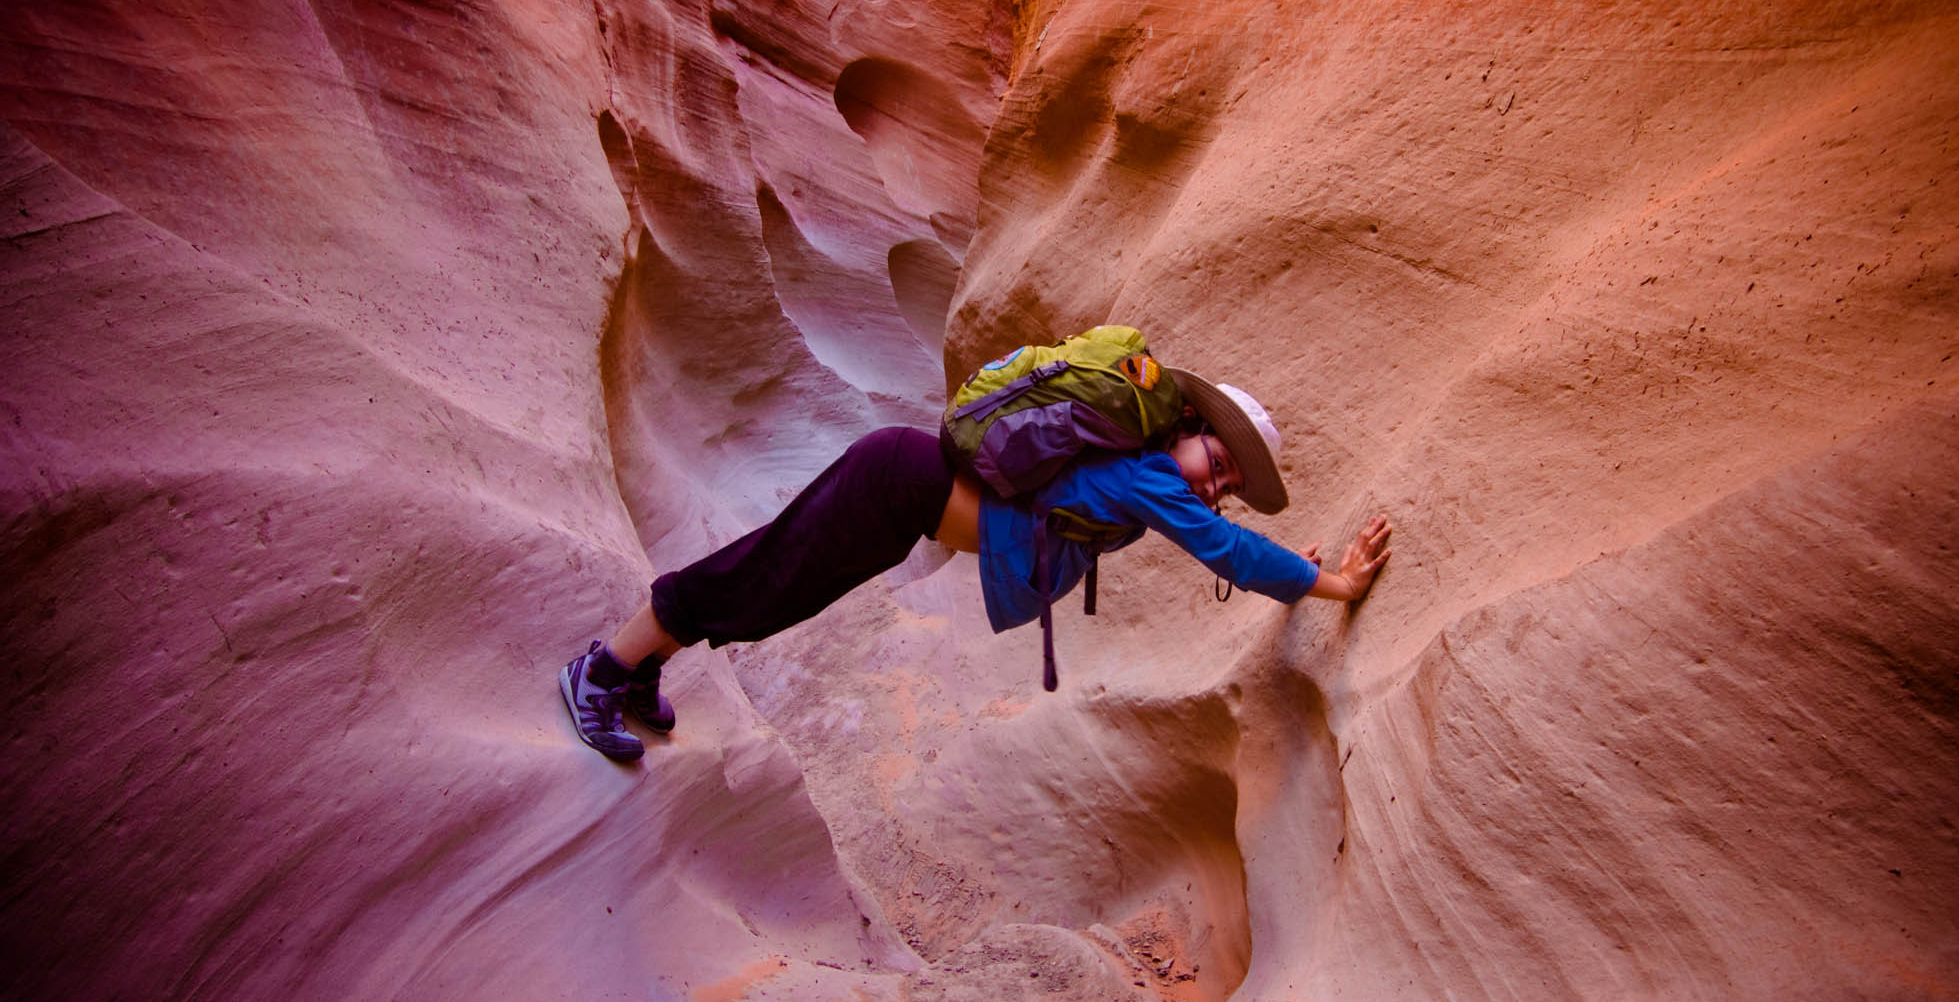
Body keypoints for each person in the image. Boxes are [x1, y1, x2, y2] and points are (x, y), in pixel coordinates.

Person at [558, 369, 1391, 760]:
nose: (1217, 482)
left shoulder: (1142, 470)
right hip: (897, 481)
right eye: (1220, 458)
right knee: (764, 575)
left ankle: (639, 671)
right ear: (1188, 429)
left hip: (900, 495)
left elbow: (1236, 547)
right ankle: (602, 668)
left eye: (1231, 484)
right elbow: (1233, 553)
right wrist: (1335, 583)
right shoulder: (1147, 471)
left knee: (776, 596)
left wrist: (1291, 565)